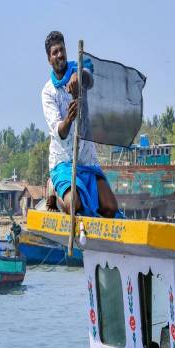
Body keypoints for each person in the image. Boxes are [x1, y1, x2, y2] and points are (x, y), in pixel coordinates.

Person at [41, 31, 118, 218]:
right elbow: (60, 131)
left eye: (62, 50)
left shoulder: (80, 66)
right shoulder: (48, 92)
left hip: (86, 158)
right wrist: (69, 118)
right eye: (55, 53)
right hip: (63, 161)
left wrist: (79, 74)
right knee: (74, 205)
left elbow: (90, 77)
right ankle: (56, 191)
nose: (60, 55)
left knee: (110, 208)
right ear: (49, 59)